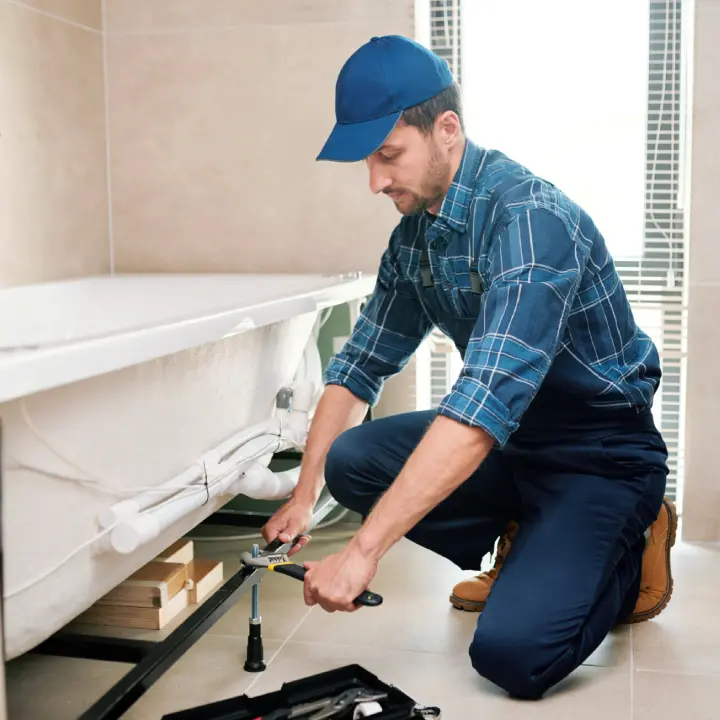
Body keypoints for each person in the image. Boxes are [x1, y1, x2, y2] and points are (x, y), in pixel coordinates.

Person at [262, 34, 676, 699]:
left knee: (514, 657)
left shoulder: (531, 220)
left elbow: (482, 403)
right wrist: (306, 494)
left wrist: (362, 552)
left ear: (446, 129)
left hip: (596, 452)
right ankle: (527, 533)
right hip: (515, 444)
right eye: (368, 159)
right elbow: (358, 366)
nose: (375, 181)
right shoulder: (417, 236)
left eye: (388, 154)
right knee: (351, 462)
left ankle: (633, 539)